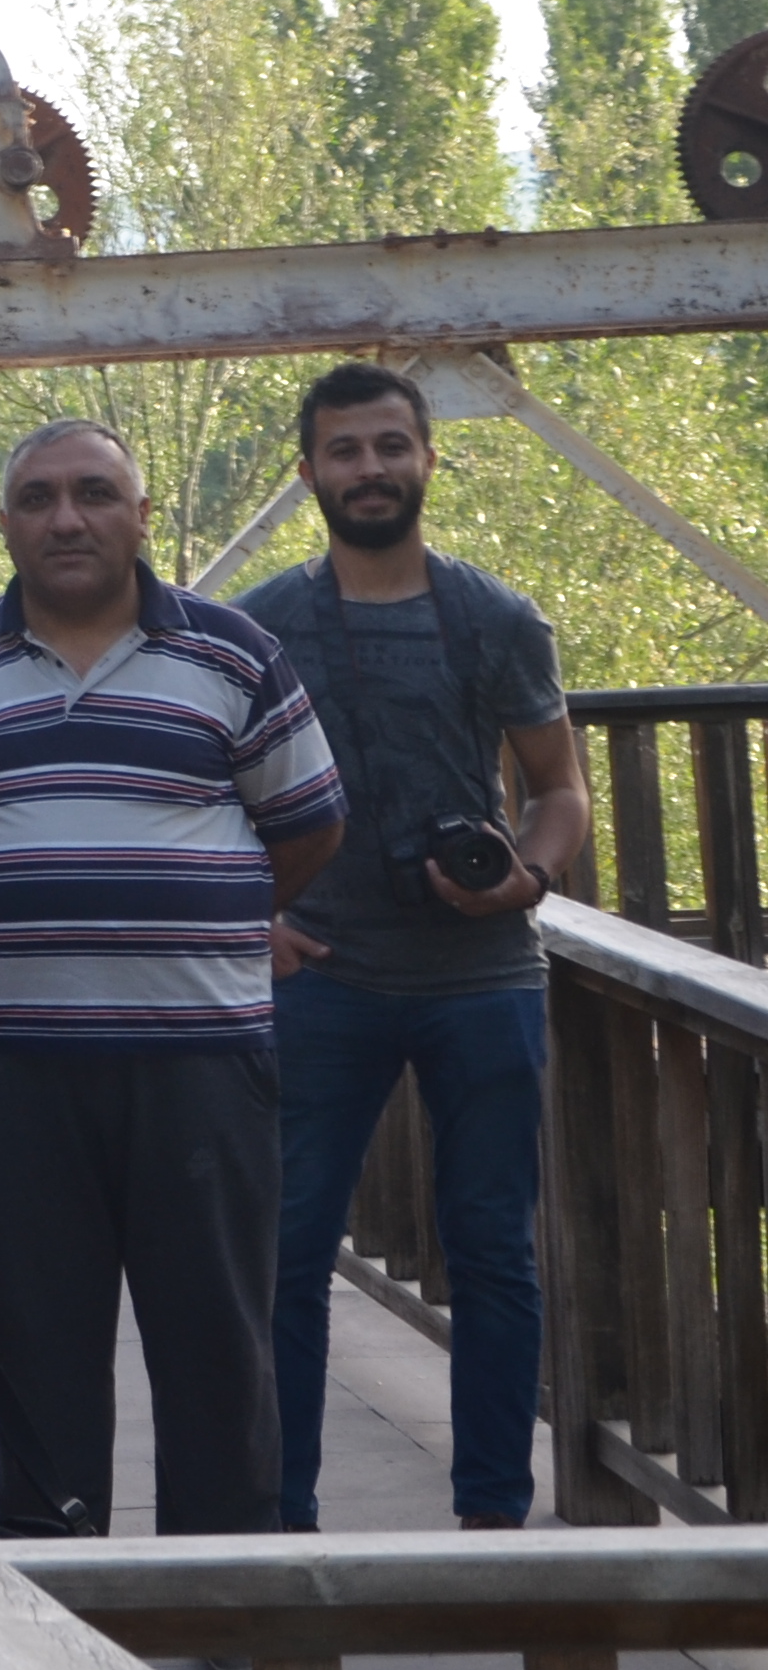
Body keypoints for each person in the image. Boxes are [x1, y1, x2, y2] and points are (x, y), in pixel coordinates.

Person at [0, 420, 341, 1541]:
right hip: (10, 1072)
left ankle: (224, 1594)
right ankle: (58, 1587)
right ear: (4, 526)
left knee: (216, 1344)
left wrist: (196, 911)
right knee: (36, 1343)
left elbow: (307, 827)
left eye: (94, 493)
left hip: (200, 1064)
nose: (66, 518)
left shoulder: (233, 655)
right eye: (37, 499)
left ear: (140, 516)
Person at [241, 363, 585, 1533]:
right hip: (318, 973)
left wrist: (527, 877)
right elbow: (201, 795)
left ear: (427, 458)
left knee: (491, 1251)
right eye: (344, 450)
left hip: (480, 979)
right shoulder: (261, 626)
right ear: (308, 473)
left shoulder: (495, 618)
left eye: (389, 446)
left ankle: (492, 1526)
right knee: (283, 1255)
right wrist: (254, 919)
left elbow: (558, 789)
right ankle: (279, 1531)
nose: (369, 469)